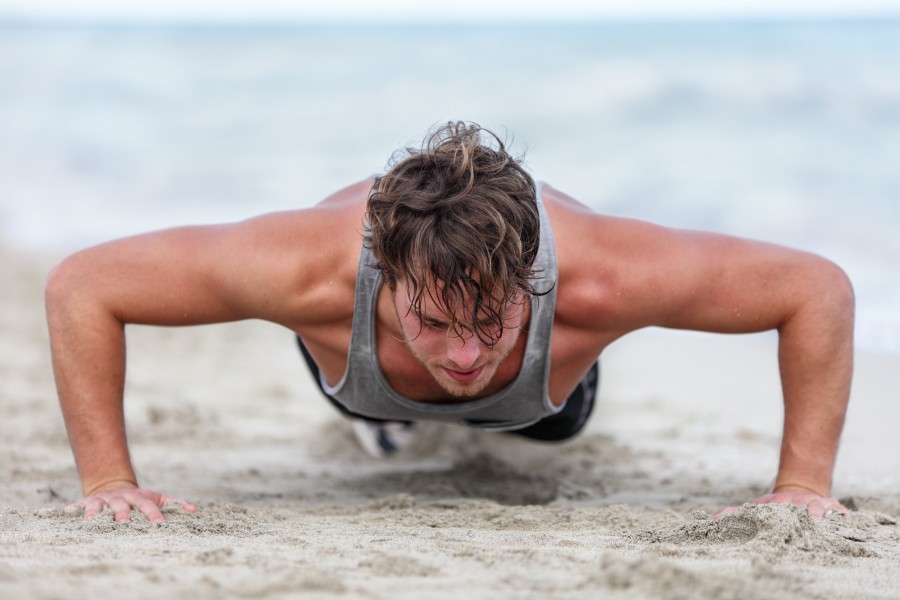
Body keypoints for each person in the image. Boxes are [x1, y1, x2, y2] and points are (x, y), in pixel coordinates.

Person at [45, 122, 854, 524]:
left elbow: (815, 291)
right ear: (387, 276)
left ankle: (483, 378)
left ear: (533, 279)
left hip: (544, 397)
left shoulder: (605, 278)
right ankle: (390, 418)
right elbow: (84, 286)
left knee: (549, 433)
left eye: (492, 319)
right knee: (373, 402)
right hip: (359, 375)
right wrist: (110, 482)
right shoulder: (305, 269)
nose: (465, 355)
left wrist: (801, 487)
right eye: (432, 321)